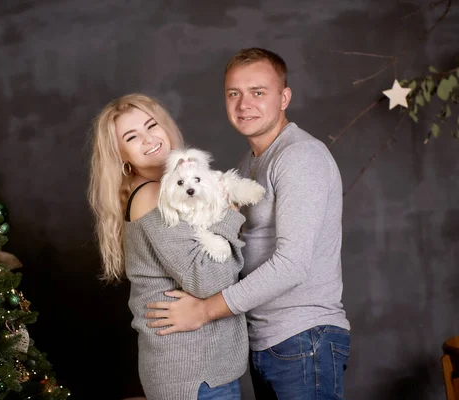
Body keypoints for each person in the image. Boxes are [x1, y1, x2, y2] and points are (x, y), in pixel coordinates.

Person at [145, 48, 352, 400]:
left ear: (284, 97)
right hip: (266, 340)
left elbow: (292, 264)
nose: (244, 105)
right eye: (234, 93)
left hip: (303, 337)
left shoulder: (300, 157)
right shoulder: (249, 162)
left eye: (258, 92)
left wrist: (203, 311)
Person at [87, 93, 249, 400]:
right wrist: (230, 215)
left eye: (152, 126)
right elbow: (207, 280)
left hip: (202, 367)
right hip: (193, 373)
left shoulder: (170, 190)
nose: (149, 140)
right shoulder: (149, 196)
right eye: (132, 137)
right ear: (121, 154)